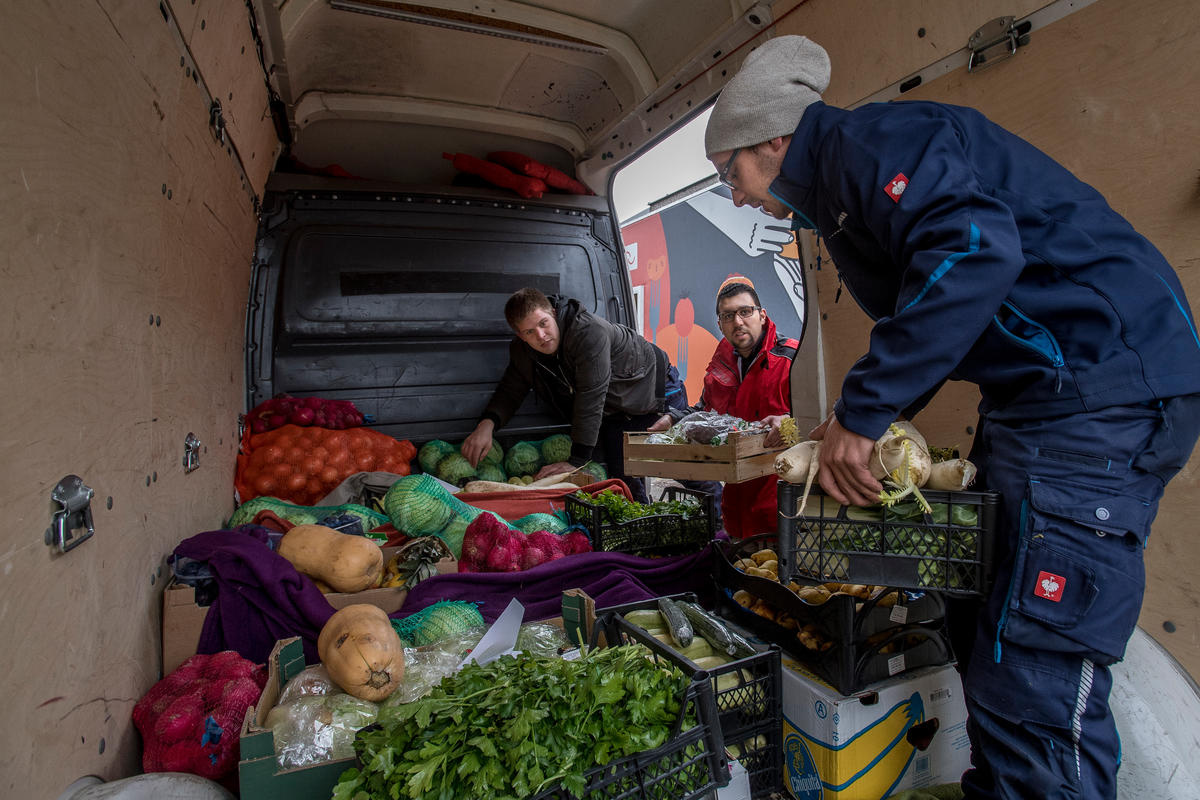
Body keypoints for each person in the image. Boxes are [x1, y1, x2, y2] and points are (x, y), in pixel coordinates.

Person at [704, 34, 1200, 800]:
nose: (734, 195)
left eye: (728, 172)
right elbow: (935, 309)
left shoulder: (873, 144)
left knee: (1030, 668)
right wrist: (868, 418)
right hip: (1039, 402)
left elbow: (972, 254)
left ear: (773, 140)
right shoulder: (841, 186)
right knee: (980, 627)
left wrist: (865, 411)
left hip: (1098, 391)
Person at [461, 288, 685, 504]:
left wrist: (576, 461)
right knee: (623, 477)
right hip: (616, 408)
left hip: (654, 390)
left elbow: (591, 394)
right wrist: (487, 424)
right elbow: (511, 389)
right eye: (529, 332)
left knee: (683, 466)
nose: (541, 336)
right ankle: (641, 523)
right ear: (520, 335)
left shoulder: (588, 332)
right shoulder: (523, 351)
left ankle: (707, 520)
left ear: (553, 313)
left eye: (543, 323)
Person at [650, 275, 797, 538]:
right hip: (736, 495)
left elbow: (820, 413)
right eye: (728, 316)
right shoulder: (721, 365)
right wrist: (674, 419)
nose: (737, 322)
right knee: (740, 555)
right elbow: (707, 410)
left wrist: (788, 419)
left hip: (781, 496)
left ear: (762, 315)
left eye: (745, 312)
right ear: (720, 324)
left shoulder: (792, 359)